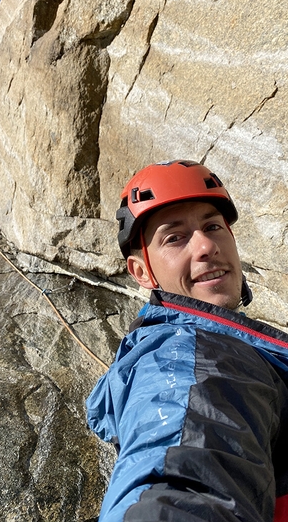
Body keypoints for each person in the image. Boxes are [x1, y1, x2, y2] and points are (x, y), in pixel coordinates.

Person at [86, 160, 288, 522]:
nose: (206, 246)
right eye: (175, 237)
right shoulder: (191, 360)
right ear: (142, 272)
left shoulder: (217, 341)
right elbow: (183, 481)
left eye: (212, 226)